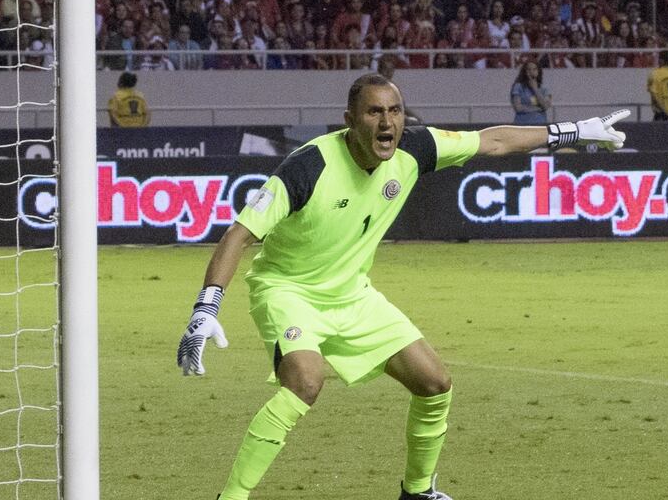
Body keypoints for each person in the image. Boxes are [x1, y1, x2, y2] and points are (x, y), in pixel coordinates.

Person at [177, 73, 629, 500]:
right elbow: (238, 234)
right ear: (350, 121)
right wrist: (206, 307)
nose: (387, 121)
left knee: (434, 383)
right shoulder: (308, 166)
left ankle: (417, 491)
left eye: (394, 110)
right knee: (306, 382)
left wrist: (573, 131)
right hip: (288, 291)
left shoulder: (416, 147)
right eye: (374, 112)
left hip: (352, 294)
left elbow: (494, 141)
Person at [510, 60, 552, 125]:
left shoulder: (544, 88)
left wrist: (535, 89)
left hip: (539, 124)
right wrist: (538, 109)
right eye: (529, 69)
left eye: (534, 69)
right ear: (525, 72)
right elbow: (518, 108)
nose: (531, 72)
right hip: (522, 124)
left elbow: (545, 106)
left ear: (538, 71)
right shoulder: (518, 87)